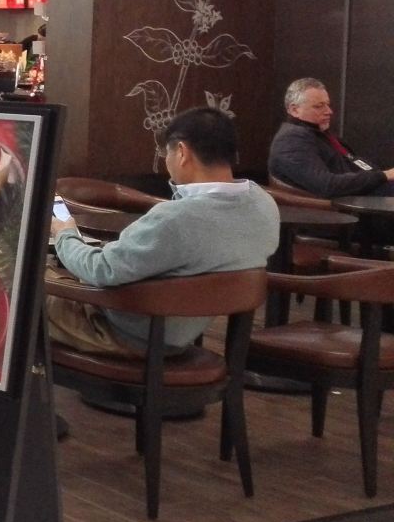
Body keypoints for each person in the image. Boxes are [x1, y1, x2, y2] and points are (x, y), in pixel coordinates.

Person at [49, 108, 278, 356]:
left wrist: (65, 233)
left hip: (129, 333)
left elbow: (101, 269)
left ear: (181, 152)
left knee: (24, 281)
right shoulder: (263, 205)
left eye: (166, 153)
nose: (166, 161)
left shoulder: (176, 219)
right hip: (183, 330)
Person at [268, 77, 394, 198]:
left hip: (371, 192)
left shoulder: (317, 133)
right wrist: (383, 176)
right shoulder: (291, 140)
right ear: (295, 110)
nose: (329, 111)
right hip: (352, 204)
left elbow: (354, 163)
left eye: (327, 105)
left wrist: (382, 176)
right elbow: (327, 185)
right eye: (319, 106)